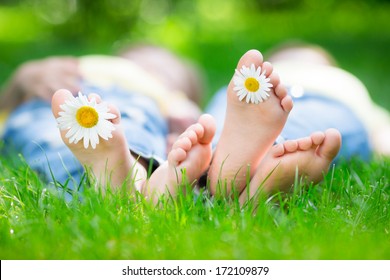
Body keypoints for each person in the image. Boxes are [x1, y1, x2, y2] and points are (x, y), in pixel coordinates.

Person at [1, 42, 388, 203]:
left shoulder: (183, 103)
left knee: (60, 130)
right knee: (114, 121)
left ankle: (239, 165)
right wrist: (26, 77)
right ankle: (134, 174)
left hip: (305, 99)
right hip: (77, 92)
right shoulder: (151, 91)